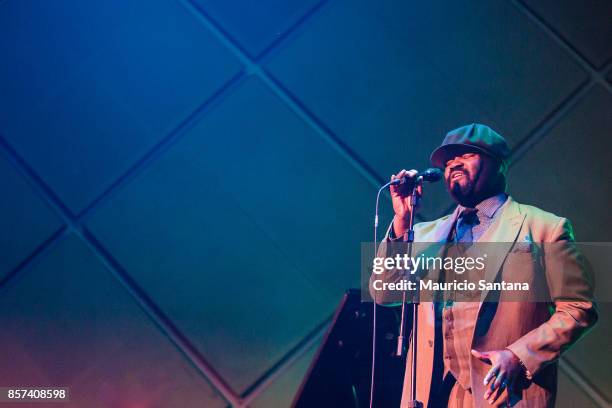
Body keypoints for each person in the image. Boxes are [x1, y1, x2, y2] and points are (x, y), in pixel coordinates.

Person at [370, 124, 597, 407]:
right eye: (448, 160)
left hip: (503, 395)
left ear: (498, 163)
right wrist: (403, 220)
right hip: (428, 397)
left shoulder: (544, 229)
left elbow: (578, 310)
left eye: (466, 154)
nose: (453, 163)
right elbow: (386, 293)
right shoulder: (425, 235)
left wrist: (520, 355)